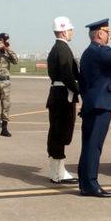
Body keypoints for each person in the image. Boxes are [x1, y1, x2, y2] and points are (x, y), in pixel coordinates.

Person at [78, 19, 111, 197]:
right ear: (100, 34)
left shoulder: (87, 53)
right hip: (100, 105)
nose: (109, 35)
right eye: (107, 32)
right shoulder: (100, 51)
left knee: (88, 146)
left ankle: (85, 183)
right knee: (94, 146)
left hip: (92, 103)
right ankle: (91, 184)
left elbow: (83, 83)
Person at [46, 16, 80, 184]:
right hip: (62, 96)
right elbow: (67, 75)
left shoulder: (56, 48)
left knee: (56, 132)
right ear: (64, 30)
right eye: (70, 29)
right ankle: (58, 174)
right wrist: (79, 90)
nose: (72, 31)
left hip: (56, 94)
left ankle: (57, 171)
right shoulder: (63, 49)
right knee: (61, 132)